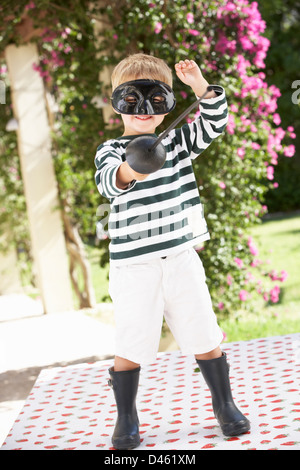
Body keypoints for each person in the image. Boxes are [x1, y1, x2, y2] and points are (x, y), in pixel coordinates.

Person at [94, 53, 250, 450]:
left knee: (202, 329)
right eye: (132, 99)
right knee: (132, 338)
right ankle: (126, 417)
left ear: (167, 104)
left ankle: (224, 403)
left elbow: (215, 123)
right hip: (134, 265)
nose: (144, 110)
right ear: (116, 102)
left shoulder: (178, 142)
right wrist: (134, 165)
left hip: (181, 257)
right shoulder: (110, 149)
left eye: (156, 99)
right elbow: (109, 184)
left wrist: (200, 85)